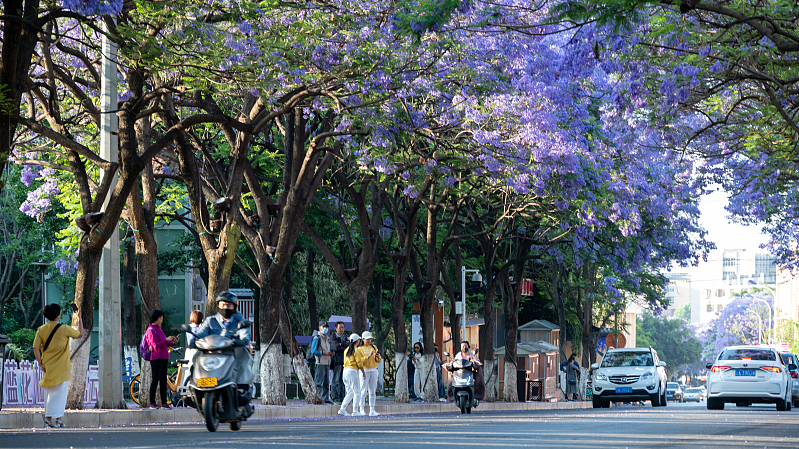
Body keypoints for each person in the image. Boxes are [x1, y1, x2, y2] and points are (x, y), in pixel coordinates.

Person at [192, 291, 253, 396]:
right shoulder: (210, 320)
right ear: (218, 305)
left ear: (234, 307)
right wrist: (194, 341)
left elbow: (245, 335)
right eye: (223, 304)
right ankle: (194, 385)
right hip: (211, 353)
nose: (225, 307)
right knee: (196, 357)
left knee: (243, 355)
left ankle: (241, 388)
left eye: (229, 305)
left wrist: (243, 340)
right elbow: (201, 334)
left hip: (231, 353)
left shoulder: (239, 321)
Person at [32, 303, 83, 428]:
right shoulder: (64, 328)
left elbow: (35, 347)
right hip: (62, 368)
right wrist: (79, 319)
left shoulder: (41, 329)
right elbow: (80, 334)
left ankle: (51, 419)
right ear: (58, 315)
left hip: (47, 367)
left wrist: (40, 363)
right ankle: (54, 420)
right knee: (59, 395)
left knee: (50, 394)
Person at [144, 309, 178, 409]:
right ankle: (152, 402)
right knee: (155, 380)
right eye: (160, 318)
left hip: (164, 357)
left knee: (163, 380)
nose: (161, 320)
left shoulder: (159, 329)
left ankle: (164, 402)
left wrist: (172, 343)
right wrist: (165, 340)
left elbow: (165, 343)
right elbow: (154, 345)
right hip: (156, 358)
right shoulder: (150, 330)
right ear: (155, 318)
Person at [356, 331, 381, 417]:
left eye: (370, 339)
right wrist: (369, 356)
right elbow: (360, 361)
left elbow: (379, 360)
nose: (369, 341)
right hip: (365, 370)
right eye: (367, 339)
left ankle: (372, 410)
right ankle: (361, 409)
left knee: (372, 391)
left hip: (374, 369)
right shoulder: (360, 349)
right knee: (363, 391)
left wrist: (378, 357)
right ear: (362, 339)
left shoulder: (374, 347)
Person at [338, 333, 364, 416]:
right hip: (352, 371)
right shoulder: (357, 350)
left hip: (345, 371)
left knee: (350, 392)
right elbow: (359, 363)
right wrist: (363, 372)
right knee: (357, 392)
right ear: (357, 341)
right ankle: (355, 411)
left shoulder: (346, 350)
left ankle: (342, 409)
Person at [310, 321, 334, 404]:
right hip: (320, 363)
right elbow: (313, 351)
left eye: (326, 327)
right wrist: (323, 353)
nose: (325, 329)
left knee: (326, 383)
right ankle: (317, 398)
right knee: (318, 382)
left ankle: (325, 398)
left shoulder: (327, 338)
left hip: (327, 363)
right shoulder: (317, 338)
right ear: (320, 328)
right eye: (323, 327)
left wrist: (331, 353)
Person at [330, 321, 347, 404]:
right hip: (336, 361)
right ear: (336, 328)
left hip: (345, 362)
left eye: (343, 327)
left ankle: (342, 398)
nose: (341, 329)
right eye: (340, 327)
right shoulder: (333, 337)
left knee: (343, 381)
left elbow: (349, 345)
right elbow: (336, 347)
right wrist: (343, 346)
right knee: (336, 380)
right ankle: (335, 398)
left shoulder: (344, 337)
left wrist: (342, 344)